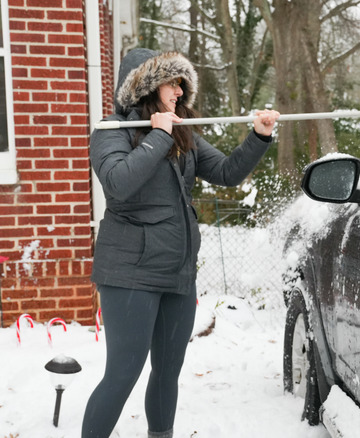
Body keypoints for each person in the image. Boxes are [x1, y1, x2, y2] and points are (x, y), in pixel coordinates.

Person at [82, 48, 280, 438]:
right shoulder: (111, 130)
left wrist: (259, 135)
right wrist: (158, 136)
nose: (178, 91)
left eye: (181, 84)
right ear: (147, 87)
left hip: (178, 270)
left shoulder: (183, 132)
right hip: (130, 274)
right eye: (171, 83)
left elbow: (225, 172)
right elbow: (119, 183)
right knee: (123, 372)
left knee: (167, 371)